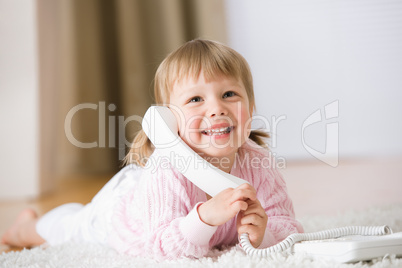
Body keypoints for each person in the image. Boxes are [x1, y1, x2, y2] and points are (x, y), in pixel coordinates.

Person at [1, 39, 303, 260]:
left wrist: (266, 235)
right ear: (168, 119)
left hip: (145, 195)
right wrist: (205, 218)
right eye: (195, 99)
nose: (216, 109)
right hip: (121, 213)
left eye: (229, 94)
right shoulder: (166, 169)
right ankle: (23, 227)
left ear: (250, 108)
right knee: (69, 228)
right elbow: (161, 249)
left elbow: (288, 227)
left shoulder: (258, 162)